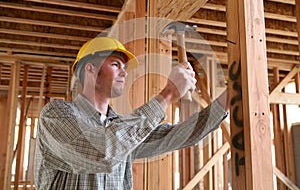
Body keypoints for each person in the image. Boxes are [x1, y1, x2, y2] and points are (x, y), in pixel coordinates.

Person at [34, 37, 229, 190]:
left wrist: (229, 98)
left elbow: (178, 136)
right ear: (90, 69)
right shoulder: (56, 115)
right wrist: (168, 94)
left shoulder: (123, 129)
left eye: (124, 67)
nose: (124, 73)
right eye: (116, 64)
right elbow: (103, 152)